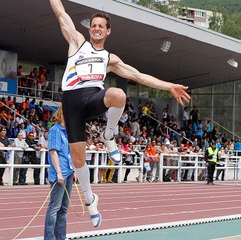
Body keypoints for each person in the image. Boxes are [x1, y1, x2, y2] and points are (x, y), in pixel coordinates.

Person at [49, 0, 191, 228]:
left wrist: (168, 86)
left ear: (107, 31)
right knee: (78, 160)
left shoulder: (109, 58)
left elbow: (140, 76)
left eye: (100, 26)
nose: (96, 28)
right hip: (71, 101)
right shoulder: (77, 42)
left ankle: (108, 135)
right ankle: (90, 200)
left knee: (119, 95)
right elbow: (59, 11)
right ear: (90, 28)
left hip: (93, 97)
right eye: (93, 25)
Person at [44, 107, 74, 240]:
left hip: (68, 171)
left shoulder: (67, 132)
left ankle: (61, 237)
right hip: (59, 173)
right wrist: (59, 173)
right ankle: (49, 238)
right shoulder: (55, 131)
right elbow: (53, 152)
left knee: (64, 207)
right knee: (55, 207)